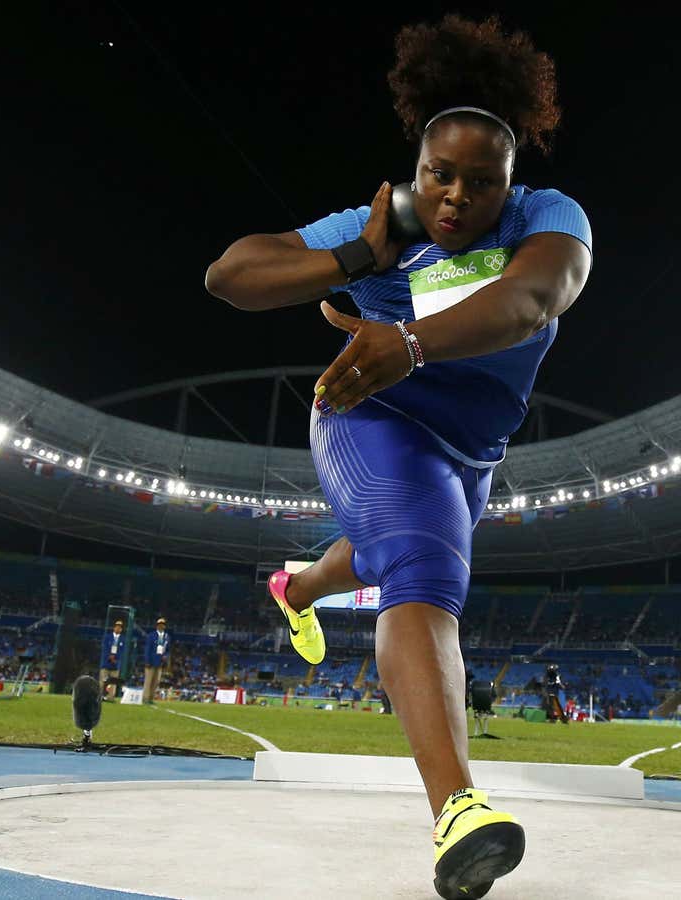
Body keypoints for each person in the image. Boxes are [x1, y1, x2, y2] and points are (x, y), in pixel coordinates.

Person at [205, 15, 589, 898]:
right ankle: (460, 812)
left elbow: (533, 300)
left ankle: (296, 587)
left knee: (400, 542)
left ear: (512, 184)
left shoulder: (548, 222)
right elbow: (231, 275)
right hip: (366, 416)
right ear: (415, 172)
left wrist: (408, 341)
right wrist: (354, 256)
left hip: (471, 450)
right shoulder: (378, 226)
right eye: (438, 175)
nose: (455, 197)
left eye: (480, 182)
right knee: (422, 567)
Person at [142, 617, 171, 704]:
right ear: (157, 626)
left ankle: (151, 698)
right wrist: (147, 661)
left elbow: (168, 650)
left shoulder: (167, 637)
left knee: (156, 682)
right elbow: (147, 649)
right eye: (160, 625)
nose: (161, 626)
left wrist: (166, 656)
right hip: (151, 662)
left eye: (163, 625)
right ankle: (145, 698)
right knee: (148, 681)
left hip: (160, 662)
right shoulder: (151, 635)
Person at [98, 619, 126, 701]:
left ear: (121, 629)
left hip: (115, 664)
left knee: (113, 682)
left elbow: (122, 651)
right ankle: (101, 696)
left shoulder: (123, 639)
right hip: (106, 662)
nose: (118, 628)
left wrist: (115, 658)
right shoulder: (108, 637)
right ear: (114, 627)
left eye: (120, 627)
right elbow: (105, 648)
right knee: (103, 680)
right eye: (117, 626)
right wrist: (109, 656)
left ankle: (110, 697)